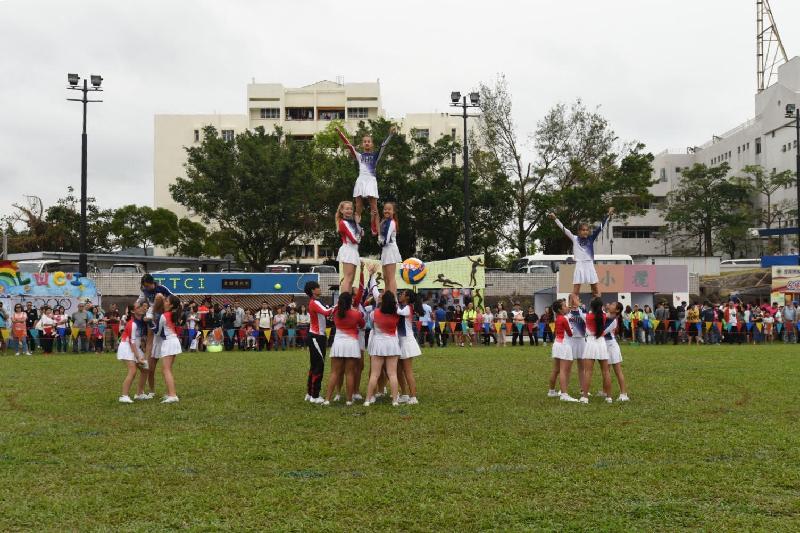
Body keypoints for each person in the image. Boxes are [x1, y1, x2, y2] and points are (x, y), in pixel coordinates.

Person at [335, 125, 395, 236]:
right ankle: (357, 229)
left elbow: (383, 146)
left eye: (369, 141)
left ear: (371, 144)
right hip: (361, 180)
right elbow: (349, 145)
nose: (367, 143)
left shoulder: (375, 155)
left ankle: (377, 231)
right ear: (362, 144)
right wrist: (340, 133)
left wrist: (390, 134)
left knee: (374, 209)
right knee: (358, 208)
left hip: (371, 180)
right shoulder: (359, 156)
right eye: (365, 141)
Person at [548, 207, 614, 298]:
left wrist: (608, 214)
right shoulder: (575, 239)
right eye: (583, 230)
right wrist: (555, 219)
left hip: (590, 264)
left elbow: (601, 227)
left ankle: (597, 309)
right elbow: (564, 229)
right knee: (576, 290)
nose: (585, 232)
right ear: (579, 231)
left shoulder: (591, 238)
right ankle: (573, 309)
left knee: (595, 290)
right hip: (580, 265)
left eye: (587, 230)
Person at [324, 291, 365, 406]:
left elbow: (331, 311)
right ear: (350, 301)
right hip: (351, 344)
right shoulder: (356, 314)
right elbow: (362, 325)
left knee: (334, 373)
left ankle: (327, 399)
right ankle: (349, 400)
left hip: (338, 343)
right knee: (350, 373)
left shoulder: (336, 311)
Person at [364, 290, 402, 406]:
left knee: (374, 374)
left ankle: (367, 400)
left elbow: (370, 325)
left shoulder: (373, 313)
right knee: (392, 374)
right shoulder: (397, 313)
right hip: (392, 343)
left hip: (378, 343)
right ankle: (395, 400)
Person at [305, 280, 333, 404]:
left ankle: (310, 393)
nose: (320, 289)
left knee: (314, 366)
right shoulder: (314, 302)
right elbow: (327, 312)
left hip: (315, 336)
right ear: (313, 290)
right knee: (318, 366)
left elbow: (325, 311)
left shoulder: (315, 302)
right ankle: (315, 396)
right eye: (318, 287)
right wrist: (339, 305)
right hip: (317, 337)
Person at [581, 297, 612, 404]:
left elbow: (581, 311)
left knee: (588, 372)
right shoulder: (603, 316)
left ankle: (585, 397)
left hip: (590, 343)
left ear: (592, 307)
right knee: (606, 371)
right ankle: (609, 397)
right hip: (601, 343)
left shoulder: (588, 316)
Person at [547, 299, 578, 402]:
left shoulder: (558, 318)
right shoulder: (564, 318)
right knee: (564, 371)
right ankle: (564, 394)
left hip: (557, 344)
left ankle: (551, 391)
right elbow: (570, 333)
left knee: (556, 370)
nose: (567, 307)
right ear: (560, 310)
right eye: (564, 306)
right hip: (564, 345)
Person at [117, 303, 148, 404]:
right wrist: (138, 357)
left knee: (145, 370)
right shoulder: (132, 324)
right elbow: (132, 342)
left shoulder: (141, 322)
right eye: (138, 307)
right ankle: (124, 396)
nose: (142, 308)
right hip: (127, 347)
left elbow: (140, 339)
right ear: (133, 311)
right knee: (133, 370)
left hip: (134, 347)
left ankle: (139, 394)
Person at [155, 295, 183, 404]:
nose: (164, 301)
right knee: (168, 369)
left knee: (166, 369)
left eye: (166, 300)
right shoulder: (172, 314)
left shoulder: (164, 316)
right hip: (173, 341)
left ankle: (172, 395)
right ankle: (169, 393)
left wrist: (151, 324)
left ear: (171, 305)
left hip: (169, 342)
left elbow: (158, 332)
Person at [397, 289, 423, 405]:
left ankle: (413, 397)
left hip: (407, 341)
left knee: (408, 371)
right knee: (398, 370)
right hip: (400, 341)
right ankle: (404, 394)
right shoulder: (404, 307)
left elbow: (396, 310)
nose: (399, 295)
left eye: (402, 294)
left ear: (407, 297)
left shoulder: (407, 308)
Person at [603, 302, 629, 402]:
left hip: (612, 346)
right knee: (606, 370)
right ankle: (605, 391)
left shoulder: (614, 321)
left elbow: (602, 332)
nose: (610, 304)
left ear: (617, 310)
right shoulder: (606, 315)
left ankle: (624, 394)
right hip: (604, 345)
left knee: (617, 371)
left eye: (613, 304)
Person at [335, 200, 363, 295]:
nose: (349, 211)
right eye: (347, 209)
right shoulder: (343, 222)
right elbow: (354, 238)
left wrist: (357, 223)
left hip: (354, 250)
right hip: (348, 250)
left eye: (351, 209)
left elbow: (362, 233)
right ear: (342, 210)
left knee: (351, 279)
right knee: (347, 278)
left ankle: (348, 301)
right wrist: (358, 232)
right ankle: (344, 302)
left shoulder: (352, 222)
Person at [564, 295, 588, 397]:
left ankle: (583, 389)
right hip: (570, 341)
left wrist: (579, 305)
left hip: (582, 340)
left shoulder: (583, 311)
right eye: (572, 299)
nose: (575, 301)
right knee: (567, 367)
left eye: (577, 299)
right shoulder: (566, 312)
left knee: (582, 367)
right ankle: (564, 390)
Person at [378, 202, 402, 296]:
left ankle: (393, 300)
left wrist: (380, 241)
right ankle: (387, 298)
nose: (386, 211)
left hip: (390, 250)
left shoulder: (391, 222)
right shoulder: (383, 222)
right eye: (385, 209)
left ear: (393, 211)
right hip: (385, 250)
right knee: (386, 278)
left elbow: (386, 239)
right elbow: (380, 235)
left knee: (391, 277)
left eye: (389, 209)